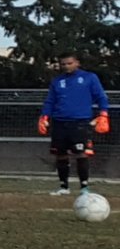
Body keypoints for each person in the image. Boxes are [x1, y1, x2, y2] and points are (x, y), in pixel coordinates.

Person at [42, 53, 106, 196]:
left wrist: (103, 113)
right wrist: (45, 116)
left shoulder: (89, 78)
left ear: (77, 62)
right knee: (60, 154)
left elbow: (100, 96)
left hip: (80, 121)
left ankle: (84, 187)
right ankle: (64, 187)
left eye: (69, 63)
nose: (66, 66)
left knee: (81, 153)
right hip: (59, 122)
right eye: (63, 64)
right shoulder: (57, 81)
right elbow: (50, 100)